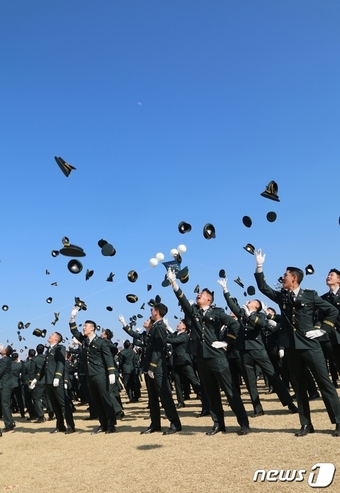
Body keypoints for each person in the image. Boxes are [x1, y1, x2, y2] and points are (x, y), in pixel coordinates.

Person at [254, 249, 340, 437]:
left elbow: (332, 311)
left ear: (294, 278)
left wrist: (323, 329)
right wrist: (259, 267)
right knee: (299, 387)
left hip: (310, 346)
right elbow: (264, 288)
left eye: (285, 275)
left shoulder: (310, 295)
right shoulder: (282, 296)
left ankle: (339, 421)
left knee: (324, 384)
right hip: (292, 348)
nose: (282, 278)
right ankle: (306, 424)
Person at [166, 268, 250, 436]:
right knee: (211, 393)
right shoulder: (194, 312)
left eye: (202, 294)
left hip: (217, 356)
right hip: (201, 358)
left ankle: (243, 423)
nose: (198, 295)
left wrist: (227, 341)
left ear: (209, 299)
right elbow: (182, 300)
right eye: (198, 294)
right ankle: (218, 424)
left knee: (230, 390)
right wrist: (173, 282)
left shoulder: (218, 312)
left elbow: (235, 325)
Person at [217, 277, 298, 417]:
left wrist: (249, 315)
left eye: (253, 301)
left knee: (273, 376)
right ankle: (257, 408)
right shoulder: (242, 314)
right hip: (244, 352)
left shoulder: (260, 315)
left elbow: (261, 324)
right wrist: (225, 290)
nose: (249, 301)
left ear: (257, 306)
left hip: (257, 350)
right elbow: (232, 306)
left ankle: (289, 403)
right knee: (250, 382)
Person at [119, 303, 182, 435]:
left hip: (157, 368)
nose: (151, 312)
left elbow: (159, 349)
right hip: (149, 368)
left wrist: (153, 367)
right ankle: (155, 423)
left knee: (165, 396)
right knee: (152, 398)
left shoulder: (159, 327)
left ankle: (175, 423)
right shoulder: (154, 329)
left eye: (152, 310)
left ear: (156, 312)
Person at [69, 306, 117, 434]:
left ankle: (111, 424)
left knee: (105, 399)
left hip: (100, 374)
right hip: (89, 374)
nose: (83, 328)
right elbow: (74, 332)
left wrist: (111, 372)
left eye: (85, 326)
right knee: (96, 400)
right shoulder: (84, 341)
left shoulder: (101, 342)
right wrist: (72, 318)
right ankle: (103, 424)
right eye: (83, 326)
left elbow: (108, 358)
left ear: (92, 328)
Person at [30, 332, 75, 434]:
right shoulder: (48, 351)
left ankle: (70, 425)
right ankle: (60, 426)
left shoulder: (60, 348)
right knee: (55, 405)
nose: (49, 336)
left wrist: (58, 376)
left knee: (64, 404)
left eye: (52, 335)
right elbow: (43, 368)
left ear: (56, 339)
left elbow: (60, 362)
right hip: (48, 381)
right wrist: (36, 379)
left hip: (56, 380)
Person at [0, 345, 15, 432]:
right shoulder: (8, 359)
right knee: (7, 404)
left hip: (5, 385)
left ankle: (8, 424)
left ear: (5, 352)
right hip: (8, 384)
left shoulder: (4, 361)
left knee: (5, 405)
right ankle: (11, 422)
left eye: (3, 348)